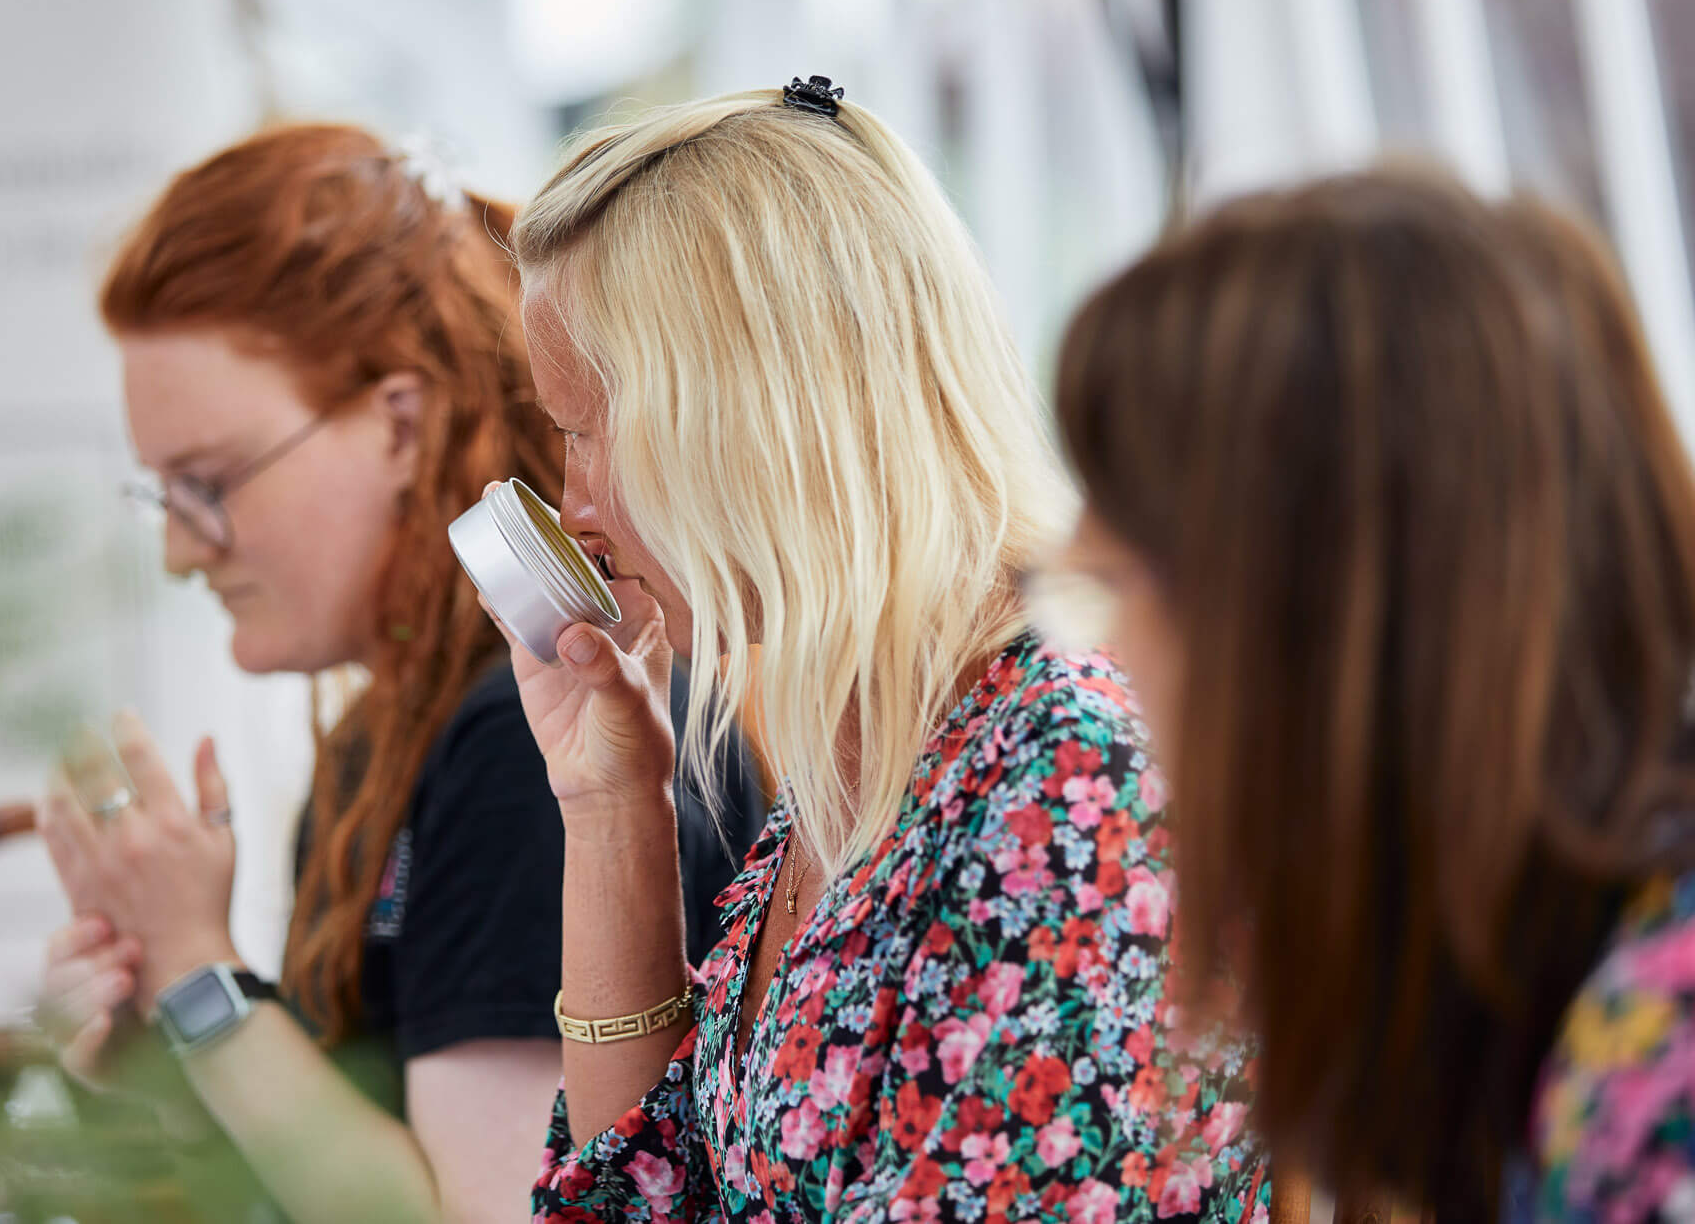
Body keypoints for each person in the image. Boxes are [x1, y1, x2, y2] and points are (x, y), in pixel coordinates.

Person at [491, 79, 1267, 1222]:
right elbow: (638, 1205)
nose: (575, 505)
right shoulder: (861, 761)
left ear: (755, 411)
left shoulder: (1068, 771)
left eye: (589, 431)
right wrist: (612, 806)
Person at [31, 124, 762, 1224]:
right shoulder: (389, 741)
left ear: (400, 424)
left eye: (210, 481)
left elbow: (484, 1210)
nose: (182, 548)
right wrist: (169, 1038)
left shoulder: (533, 736)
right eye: (163, 495)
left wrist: (199, 973)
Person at [1048, 169, 1695, 1220]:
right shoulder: (1536, 989)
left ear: (1307, 625)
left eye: (1116, 586)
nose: (1101, 655)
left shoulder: (1654, 1091)